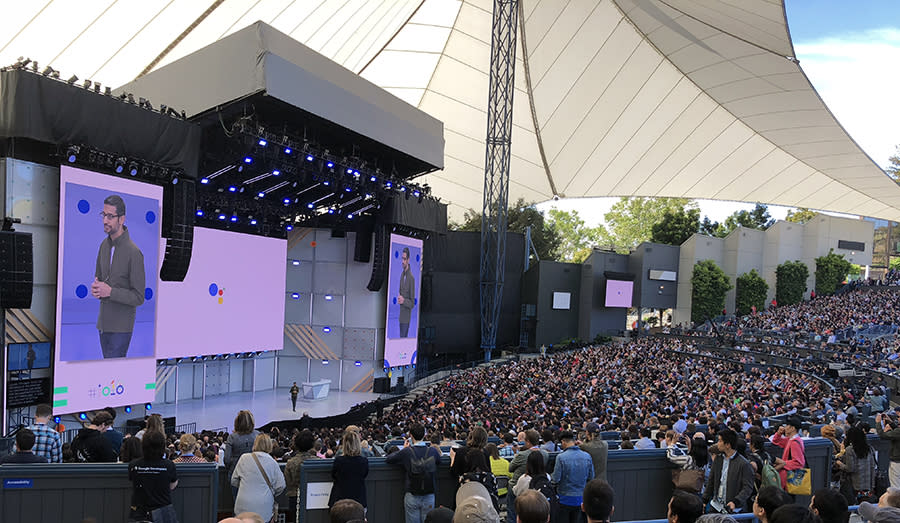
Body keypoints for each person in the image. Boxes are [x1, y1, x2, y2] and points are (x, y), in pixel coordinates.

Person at [93, 194, 146, 359]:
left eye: (110, 216)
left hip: (121, 329)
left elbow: (139, 297)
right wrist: (96, 289)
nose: (105, 221)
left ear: (121, 219)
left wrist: (110, 292)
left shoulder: (134, 253)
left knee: (113, 377)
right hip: (103, 325)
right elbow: (99, 278)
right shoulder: (103, 245)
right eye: (103, 215)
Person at [386, 422, 442, 523]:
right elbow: (439, 461)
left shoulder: (407, 452)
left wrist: (404, 449)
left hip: (412, 495)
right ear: (424, 435)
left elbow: (389, 459)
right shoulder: (433, 451)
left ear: (411, 435)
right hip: (429, 494)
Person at [232, 434, 286, 523]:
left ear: (255, 444)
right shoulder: (272, 462)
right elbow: (281, 486)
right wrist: (271, 492)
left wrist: (244, 486)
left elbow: (234, 481)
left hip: (243, 504)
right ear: (270, 445)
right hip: (264, 506)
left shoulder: (244, 458)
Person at [128, 430, 178, 522]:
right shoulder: (169, 465)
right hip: (163, 510)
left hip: (139, 510)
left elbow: (132, 480)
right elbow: (172, 486)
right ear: (162, 446)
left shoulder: (133, 464)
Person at [702, 428, 754, 514]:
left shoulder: (744, 464)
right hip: (716, 506)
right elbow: (711, 481)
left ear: (727, 445)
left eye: (719, 441)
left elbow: (747, 488)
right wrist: (705, 500)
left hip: (734, 508)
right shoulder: (718, 459)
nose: (717, 444)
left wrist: (736, 501)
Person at [552, 430, 594, 523]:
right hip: (581, 498)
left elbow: (555, 479)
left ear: (563, 442)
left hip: (564, 498)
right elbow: (591, 477)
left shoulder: (561, 457)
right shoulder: (587, 456)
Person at [508, 429, 549, 523]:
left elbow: (510, 468)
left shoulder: (522, 455)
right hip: (539, 481)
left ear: (528, 442)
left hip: (520, 483)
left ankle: (512, 518)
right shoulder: (545, 454)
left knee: (511, 488)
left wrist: (515, 454)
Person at [329, 430, 369, 509]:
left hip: (340, 500)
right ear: (358, 444)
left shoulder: (339, 460)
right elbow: (364, 475)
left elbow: (333, 475)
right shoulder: (364, 461)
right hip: (358, 500)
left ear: (345, 444)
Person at [285, 430, 319, 521]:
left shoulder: (290, 463)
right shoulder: (317, 461)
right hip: (314, 497)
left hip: (295, 498)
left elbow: (288, 483)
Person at [837, 425, 876, 503]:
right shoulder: (870, 449)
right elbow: (873, 467)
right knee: (864, 504)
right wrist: (872, 485)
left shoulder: (850, 450)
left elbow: (850, 468)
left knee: (852, 504)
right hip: (867, 484)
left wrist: (839, 464)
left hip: (854, 485)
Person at [225, 410, 260, 496]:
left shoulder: (232, 437)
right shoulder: (258, 435)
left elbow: (227, 459)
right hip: (254, 473)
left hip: (236, 473)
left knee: (237, 502)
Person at [770, 416, 806, 491]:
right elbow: (776, 441)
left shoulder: (794, 442)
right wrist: (779, 433)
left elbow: (798, 463)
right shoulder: (791, 439)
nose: (785, 428)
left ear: (792, 428)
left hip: (789, 478)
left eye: (787, 426)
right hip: (788, 477)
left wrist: (782, 463)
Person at [876, 412, 900, 489]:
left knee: (895, 486)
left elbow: (883, 435)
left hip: (897, 461)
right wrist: (891, 422)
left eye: (899, 417)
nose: (898, 418)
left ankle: (895, 501)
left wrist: (878, 423)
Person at [397, 246, 415, 338]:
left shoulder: (411, 278)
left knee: (403, 339)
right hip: (400, 317)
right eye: (402, 258)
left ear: (408, 260)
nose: (402, 261)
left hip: (406, 319)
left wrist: (404, 301)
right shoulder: (401, 275)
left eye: (404, 259)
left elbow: (412, 303)